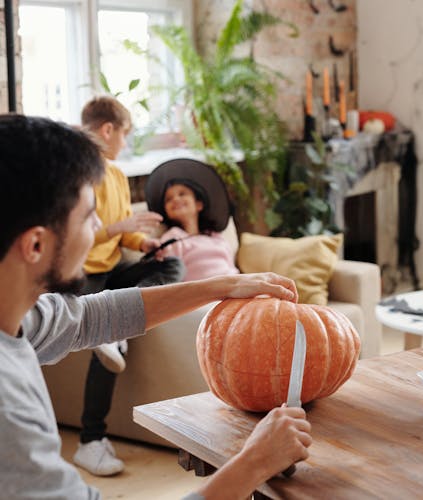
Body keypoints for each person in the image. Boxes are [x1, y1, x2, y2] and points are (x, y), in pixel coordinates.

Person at [0, 114, 311, 499]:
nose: (100, 228)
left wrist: (223, 285)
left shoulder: (18, 320)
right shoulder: (7, 407)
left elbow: (91, 317)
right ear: (35, 246)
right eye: (88, 217)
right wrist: (256, 462)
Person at [73, 96, 185, 475]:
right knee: (103, 339)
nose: (125, 143)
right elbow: (71, 237)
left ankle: (119, 325)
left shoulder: (117, 176)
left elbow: (124, 237)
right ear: (108, 130)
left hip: (112, 269)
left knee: (171, 265)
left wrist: (144, 243)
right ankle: (90, 441)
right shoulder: (76, 172)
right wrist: (119, 229)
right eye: (125, 134)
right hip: (80, 273)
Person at [143, 158, 239, 282]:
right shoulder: (173, 239)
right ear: (166, 212)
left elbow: (232, 268)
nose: (176, 199)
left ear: (199, 204)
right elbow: (168, 278)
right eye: (169, 199)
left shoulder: (216, 237)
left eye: (182, 194)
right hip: (207, 295)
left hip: (236, 286)